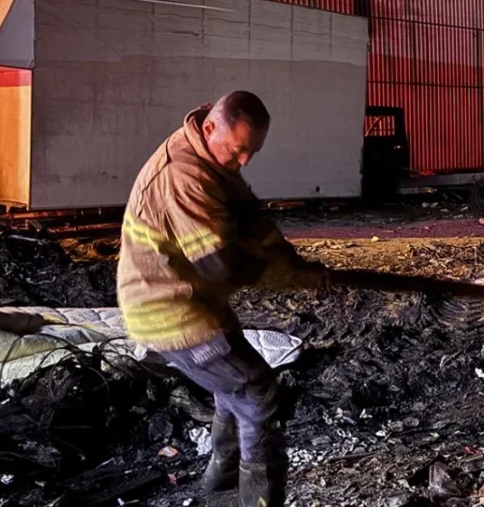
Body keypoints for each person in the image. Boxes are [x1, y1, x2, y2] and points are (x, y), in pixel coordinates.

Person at [116, 91, 328, 506]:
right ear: (210, 127)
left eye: (252, 152)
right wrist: (286, 276)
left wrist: (293, 261)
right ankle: (257, 499)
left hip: (197, 301)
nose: (245, 161)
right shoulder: (184, 174)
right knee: (258, 392)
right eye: (240, 150)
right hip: (166, 310)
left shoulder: (216, 158)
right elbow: (220, 265)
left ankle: (219, 489)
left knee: (233, 390)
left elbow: (252, 220)